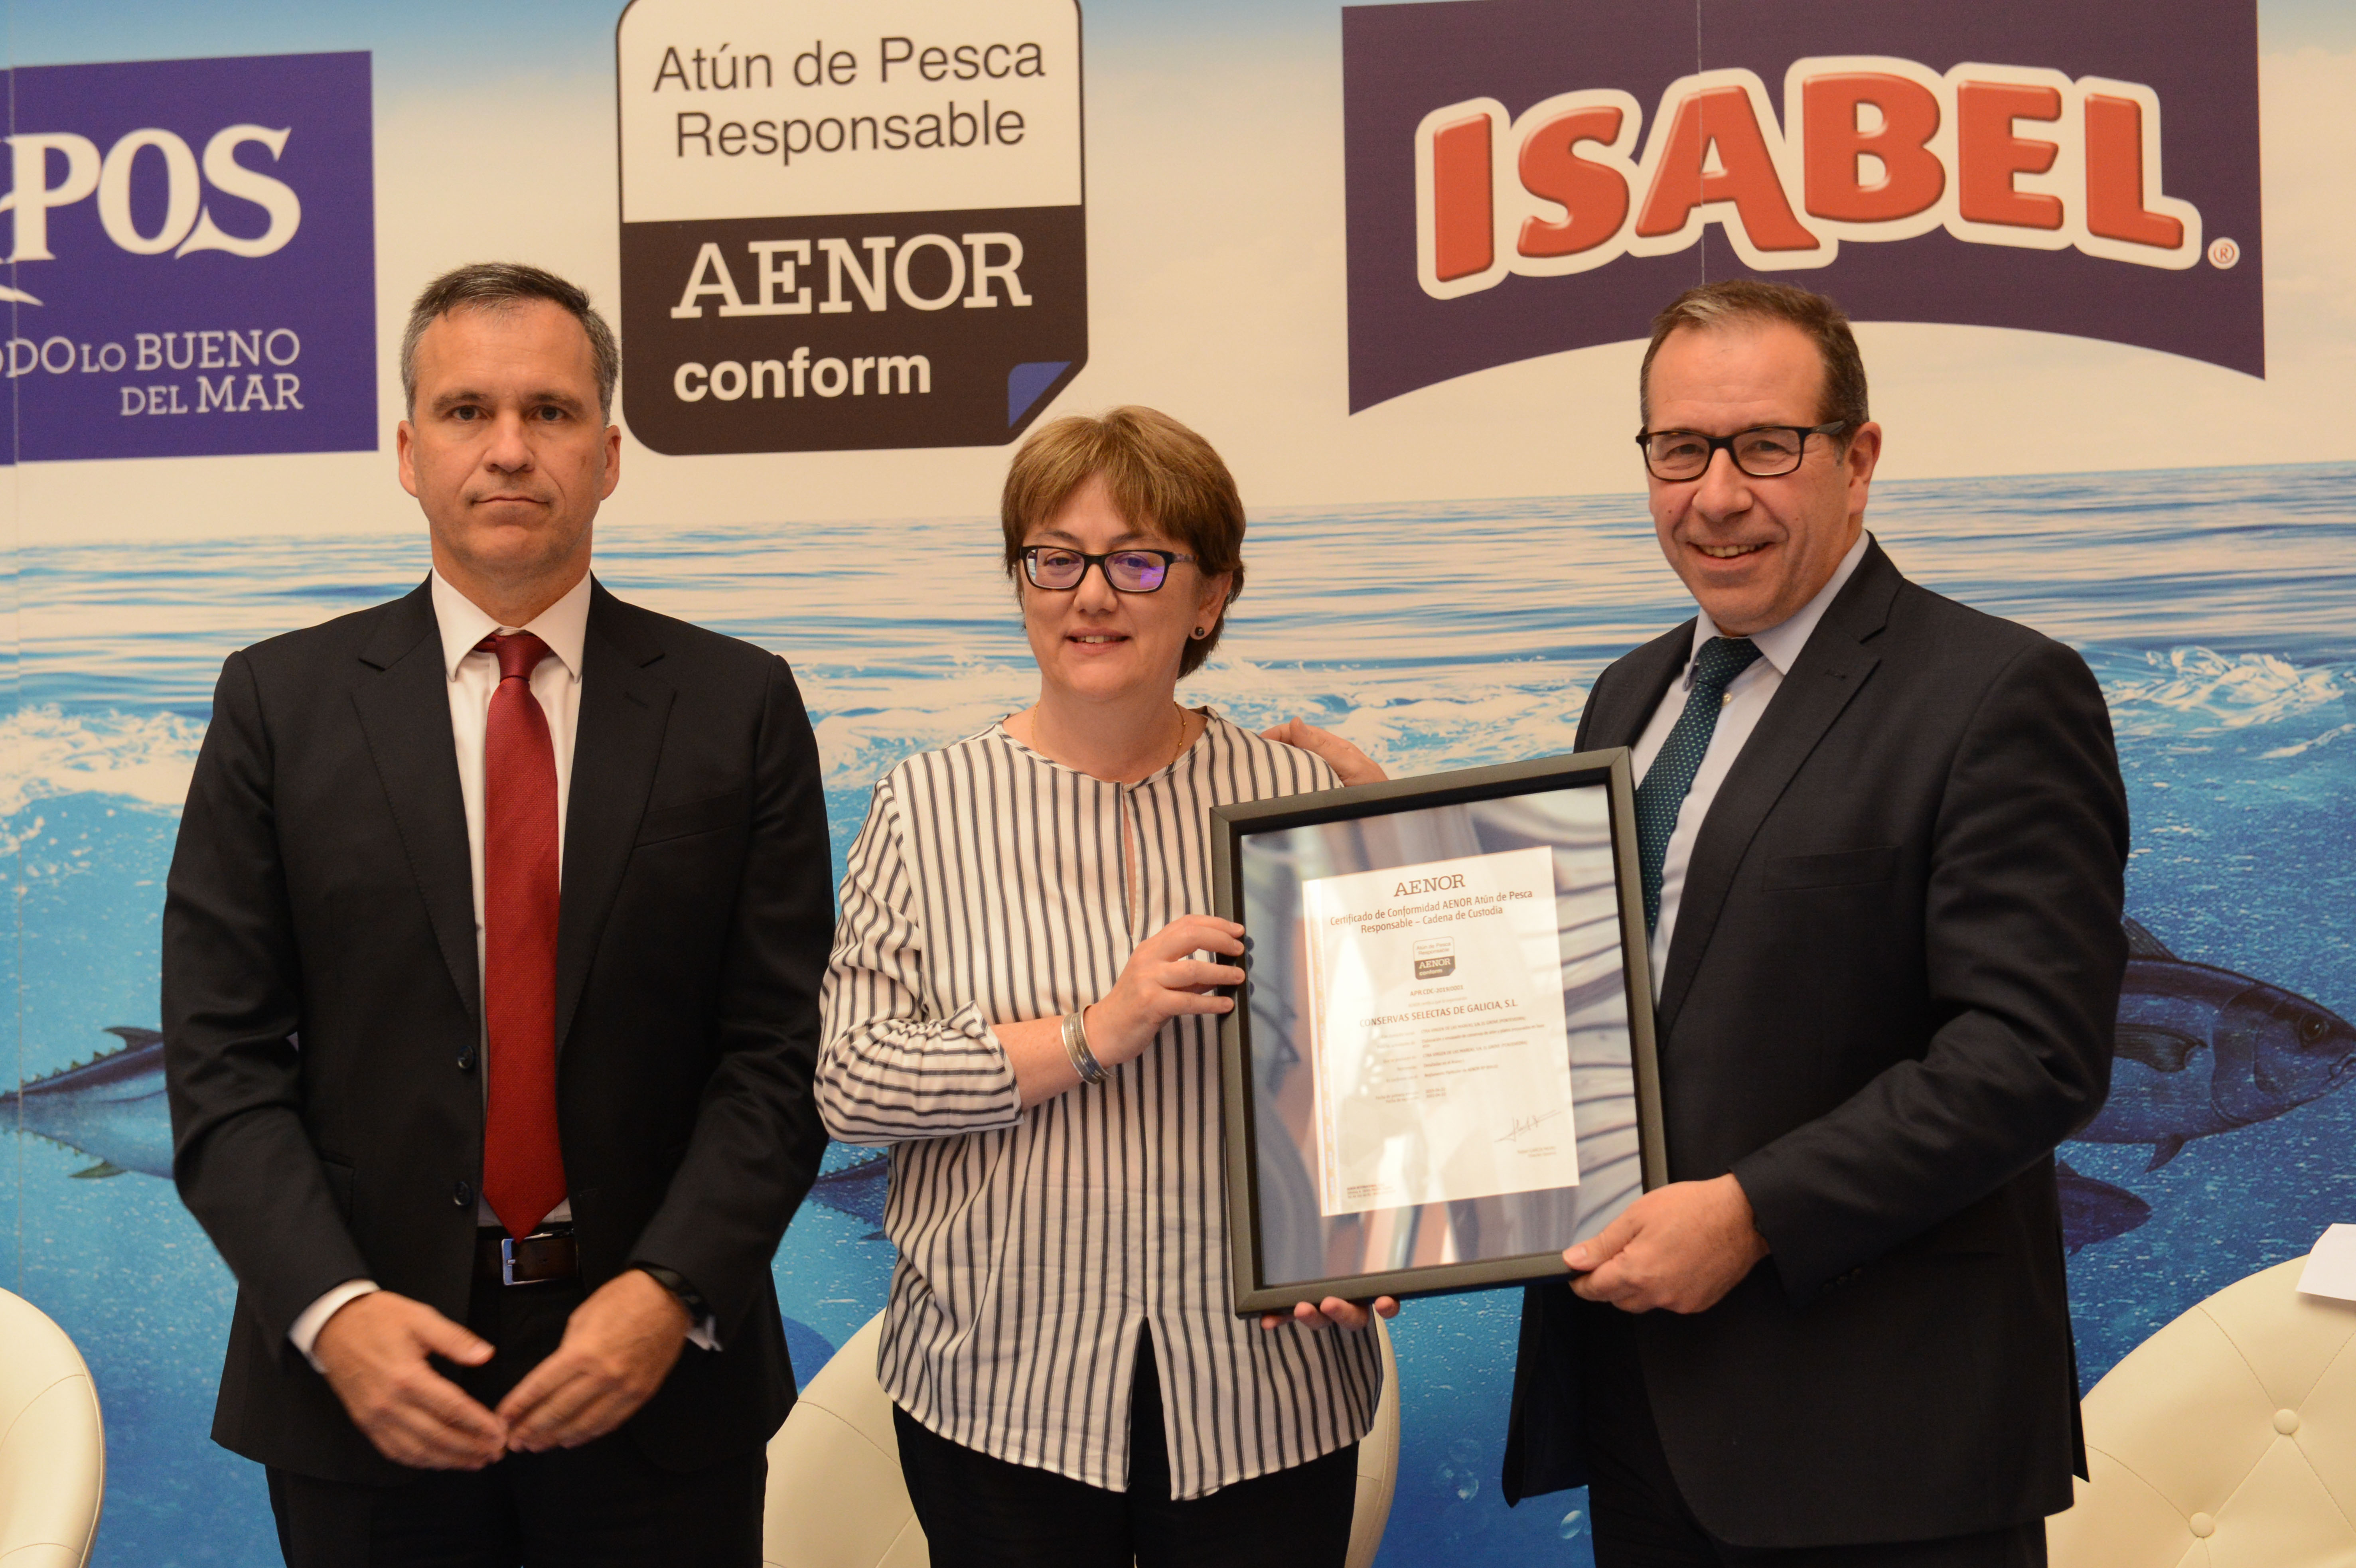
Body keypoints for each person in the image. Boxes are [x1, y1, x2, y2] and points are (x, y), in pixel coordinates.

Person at [162, 262, 834, 1566]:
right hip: (367, 1386)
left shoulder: (737, 704)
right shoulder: (277, 706)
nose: (510, 448)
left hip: (656, 1382)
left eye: (551, 411)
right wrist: (332, 1310)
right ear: (408, 452)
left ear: (610, 454)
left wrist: (672, 1288)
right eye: (467, 411)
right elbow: (222, 1058)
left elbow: (781, 1049)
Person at [1499, 280, 2128, 1565]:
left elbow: (2029, 1052)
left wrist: (1753, 1211)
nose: (1716, 495)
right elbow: (1610, 1001)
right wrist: (1414, 876)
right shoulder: (1628, 695)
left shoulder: (2000, 691)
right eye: (1680, 449)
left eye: (1764, 446)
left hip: (1883, 1446)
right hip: (1641, 1414)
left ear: (1858, 457)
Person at [817, 406, 1395, 1568]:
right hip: (998, 1391)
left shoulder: (1301, 801)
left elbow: (1392, 1079)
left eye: (1139, 561)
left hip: (1268, 1390)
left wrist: (1387, 1238)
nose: (1091, 594)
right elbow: (851, 1082)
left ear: (1211, 596)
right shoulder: (924, 806)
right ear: (1021, 580)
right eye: (1057, 558)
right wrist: (1091, 1031)